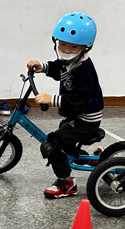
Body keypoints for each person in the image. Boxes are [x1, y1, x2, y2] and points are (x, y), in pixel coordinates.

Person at [27, 12, 104, 199]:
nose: (67, 50)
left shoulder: (83, 70)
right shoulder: (72, 60)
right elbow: (58, 67)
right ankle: (91, 159)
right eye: (62, 44)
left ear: (85, 47)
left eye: (73, 46)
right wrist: (42, 66)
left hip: (86, 119)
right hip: (78, 116)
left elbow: (78, 101)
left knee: (52, 144)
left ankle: (66, 183)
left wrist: (52, 99)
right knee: (64, 136)